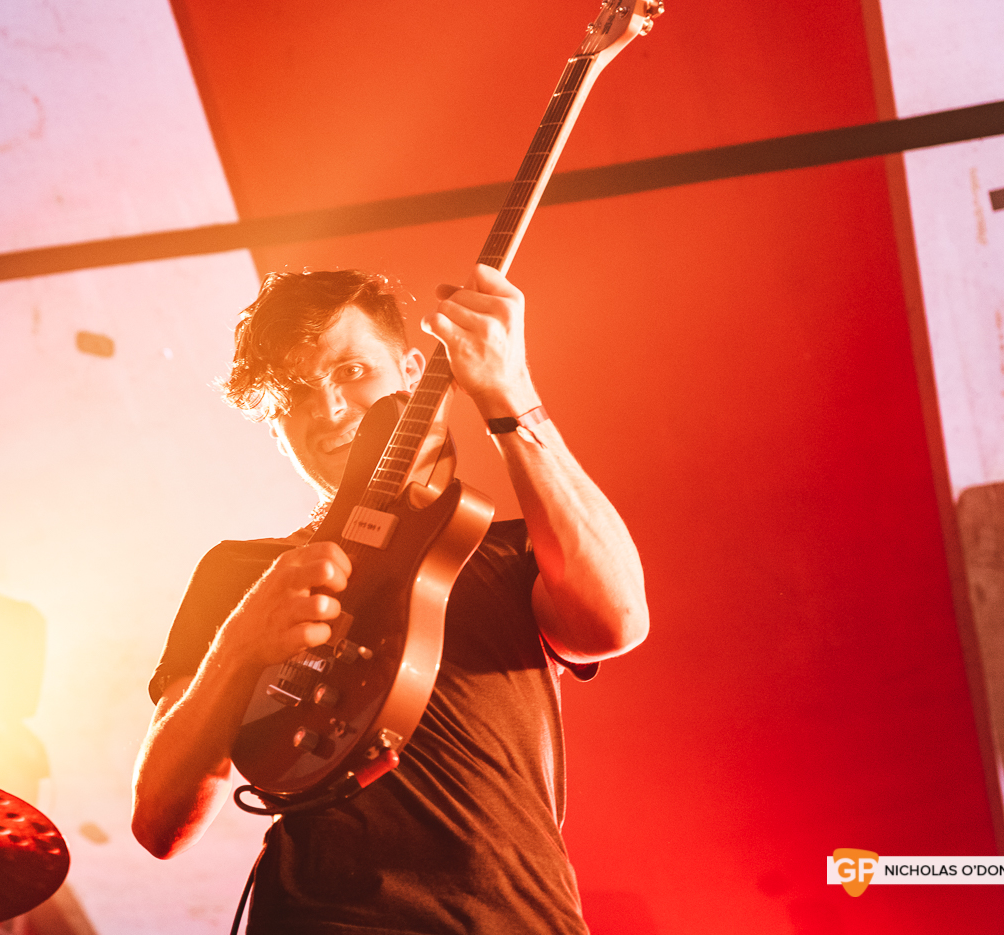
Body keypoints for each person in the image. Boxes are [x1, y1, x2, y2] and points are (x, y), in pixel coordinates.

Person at [132, 264, 648, 933]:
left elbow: (617, 622)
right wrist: (238, 646)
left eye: (351, 370)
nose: (329, 409)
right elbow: (158, 822)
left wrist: (509, 388)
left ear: (411, 372)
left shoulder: (500, 548)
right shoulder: (241, 573)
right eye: (295, 393)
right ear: (274, 426)